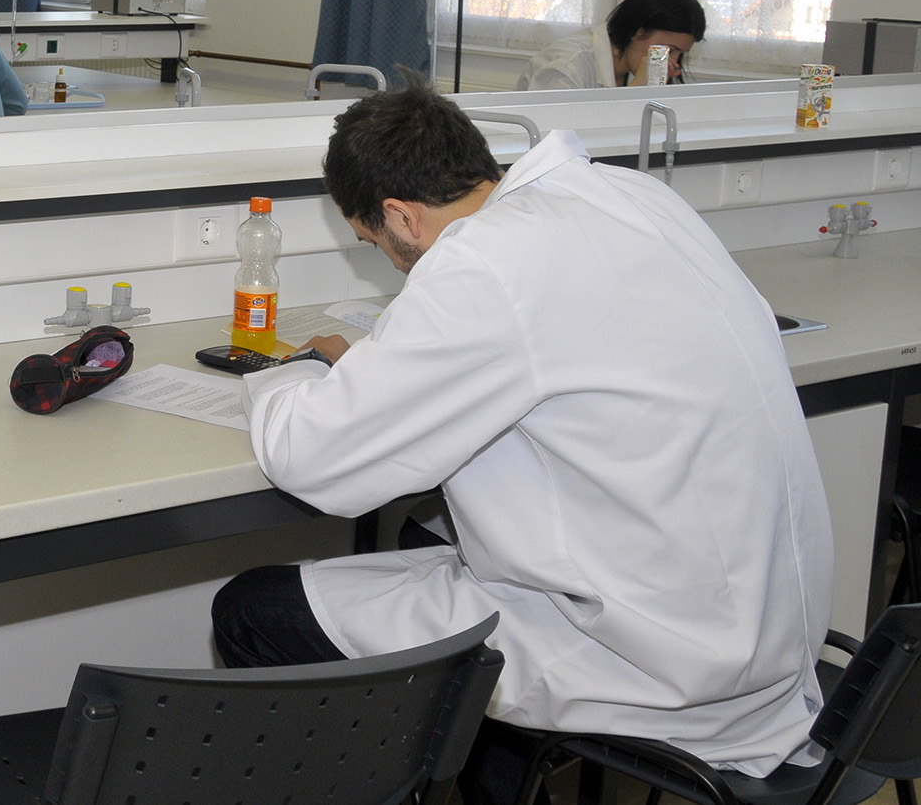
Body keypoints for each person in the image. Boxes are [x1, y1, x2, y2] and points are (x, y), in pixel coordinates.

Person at [210, 82, 832, 805]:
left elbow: (311, 457)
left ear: (401, 216)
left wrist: (299, 371)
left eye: (374, 243)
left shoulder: (484, 263)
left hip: (660, 664)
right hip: (754, 628)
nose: (391, 261)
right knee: (420, 533)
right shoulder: (631, 196)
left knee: (256, 611)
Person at [517, 0, 705, 90]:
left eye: (680, 54)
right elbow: (558, 138)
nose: (673, 62)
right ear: (637, 31)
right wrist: (637, 90)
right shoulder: (569, 66)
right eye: (670, 50)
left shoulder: (633, 68)